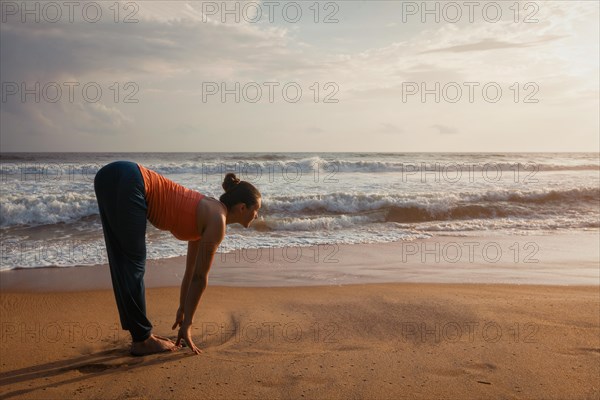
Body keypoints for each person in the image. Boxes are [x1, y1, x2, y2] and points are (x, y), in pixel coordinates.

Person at [93, 161, 261, 356]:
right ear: (242, 208)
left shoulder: (209, 211)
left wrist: (183, 309)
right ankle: (142, 339)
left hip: (109, 175)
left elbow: (191, 272)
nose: (256, 216)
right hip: (132, 179)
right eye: (256, 210)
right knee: (133, 263)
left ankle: (139, 334)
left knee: (121, 260)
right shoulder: (218, 221)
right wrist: (188, 325)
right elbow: (200, 277)